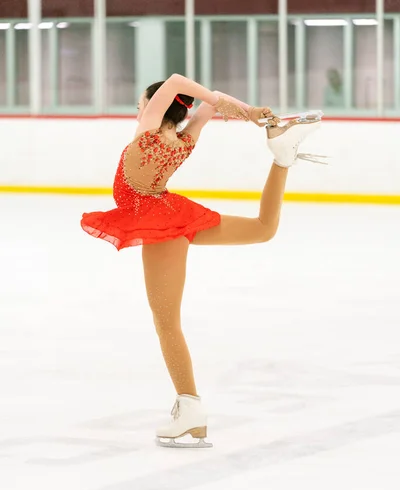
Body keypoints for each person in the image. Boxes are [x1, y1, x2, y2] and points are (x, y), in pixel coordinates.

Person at [81, 73, 323, 448]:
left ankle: (190, 409)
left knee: (166, 324)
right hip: (172, 212)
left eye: (143, 102)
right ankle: (282, 159)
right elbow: (211, 104)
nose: (140, 108)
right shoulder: (183, 139)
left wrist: (224, 102)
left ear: (154, 105)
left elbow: (179, 81)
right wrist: (250, 112)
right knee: (262, 228)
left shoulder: (146, 129)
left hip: (158, 224)